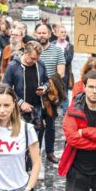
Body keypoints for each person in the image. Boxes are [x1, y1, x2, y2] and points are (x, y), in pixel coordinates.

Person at [35, 23, 65, 163]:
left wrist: (48, 86)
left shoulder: (57, 51)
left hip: (51, 94)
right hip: (34, 94)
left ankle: (50, 152)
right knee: (36, 124)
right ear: (36, 34)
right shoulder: (32, 51)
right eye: (39, 33)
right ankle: (35, 154)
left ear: (49, 34)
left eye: (44, 33)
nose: (42, 35)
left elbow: (61, 72)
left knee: (51, 124)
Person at [52, 25, 74, 116]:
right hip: (53, 73)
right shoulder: (52, 44)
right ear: (57, 34)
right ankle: (52, 113)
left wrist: (57, 58)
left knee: (64, 94)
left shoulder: (69, 46)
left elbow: (68, 59)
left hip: (64, 74)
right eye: (62, 32)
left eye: (65, 32)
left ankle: (66, 114)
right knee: (53, 92)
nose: (64, 34)